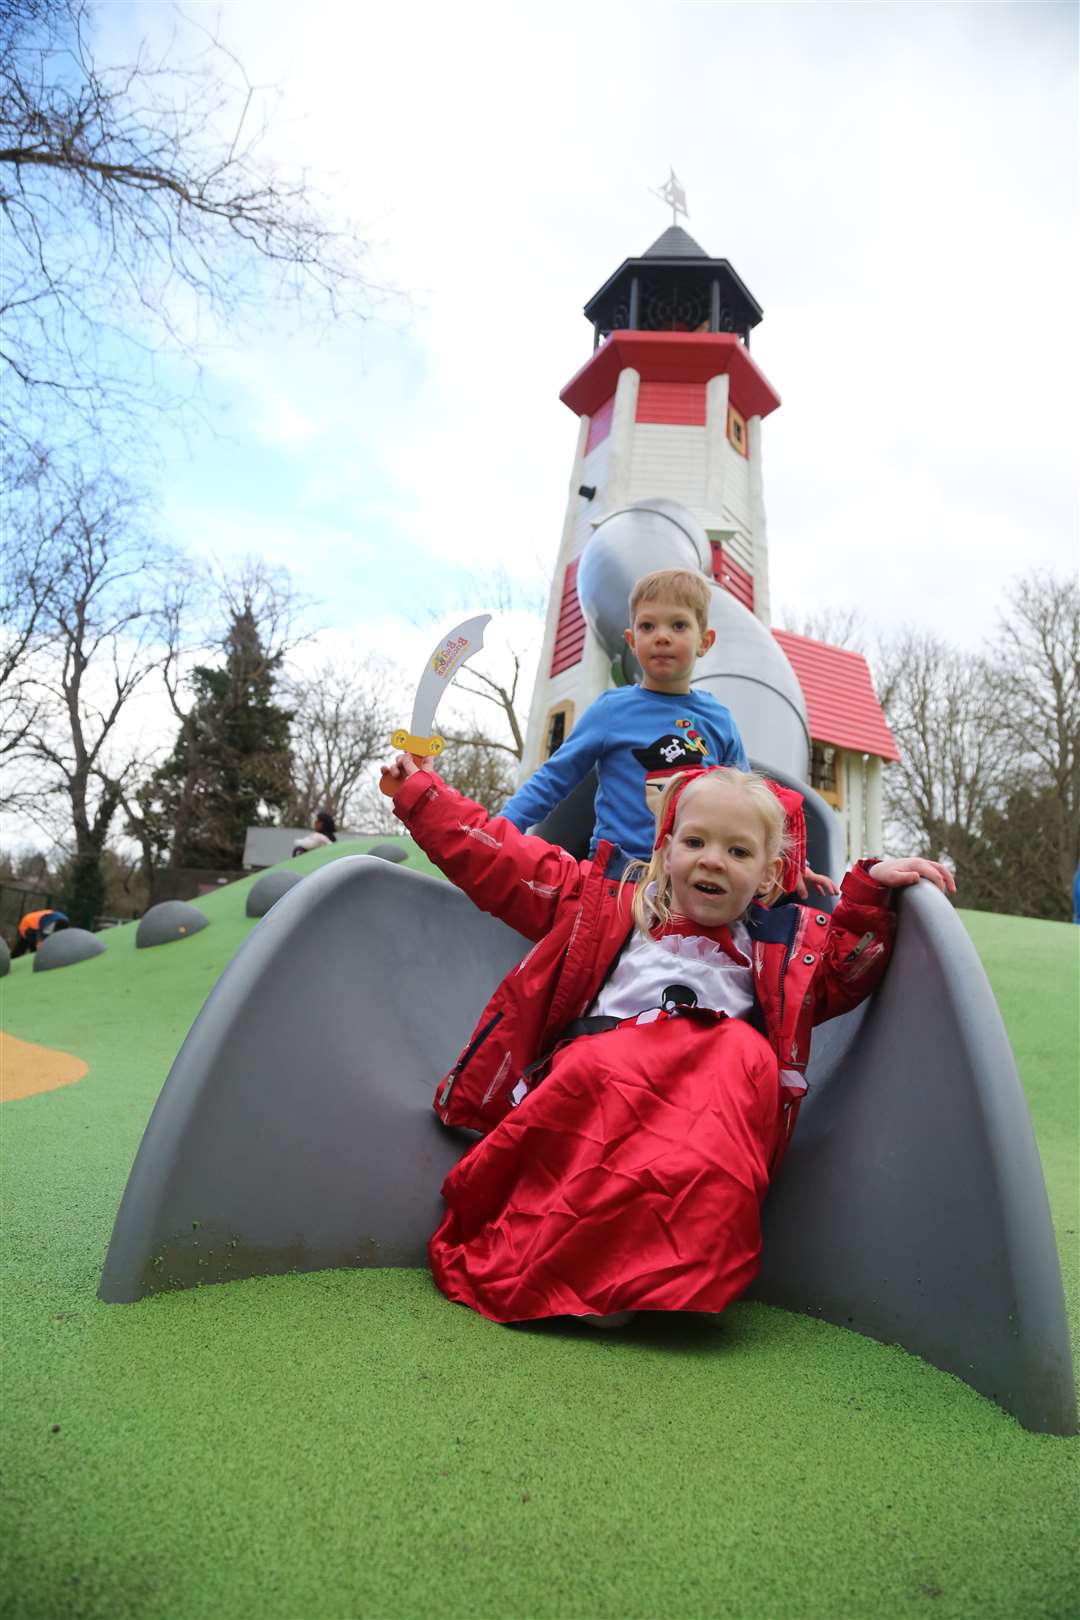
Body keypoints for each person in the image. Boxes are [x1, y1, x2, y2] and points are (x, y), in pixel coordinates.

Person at [379, 751, 955, 1328]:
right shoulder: (604, 906)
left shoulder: (779, 951)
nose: (713, 862)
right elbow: (499, 859)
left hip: (697, 1107)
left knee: (743, 1054)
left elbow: (846, 973)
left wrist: (869, 894)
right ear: (664, 848)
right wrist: (424, 797)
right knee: (598, 1069)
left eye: (738, 851)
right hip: (600, 1083)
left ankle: (646, 1278)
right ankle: (576, 1266)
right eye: (696, 842)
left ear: (769, 875)